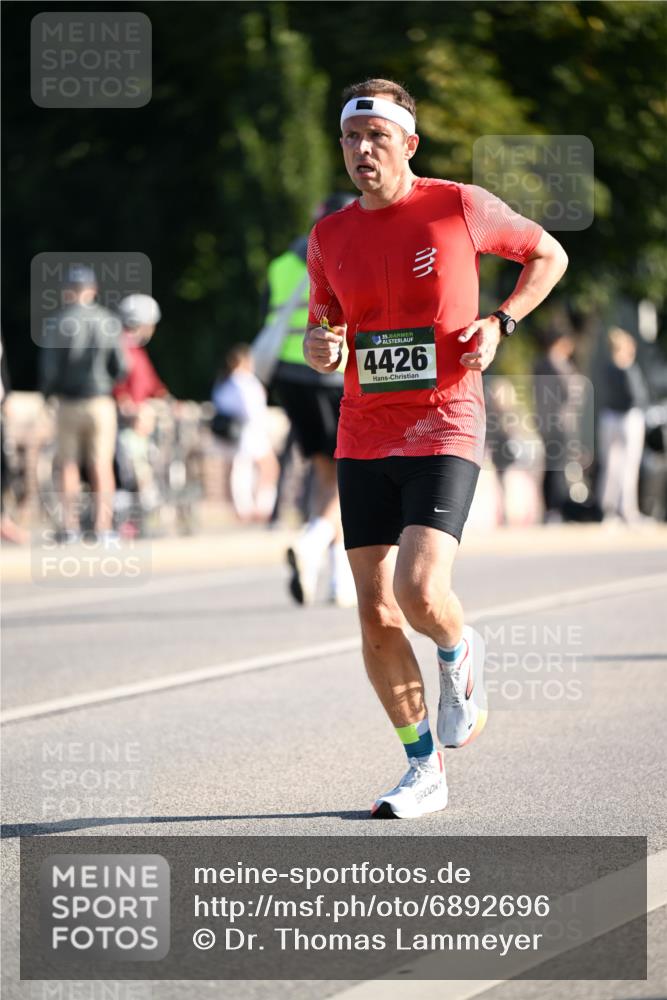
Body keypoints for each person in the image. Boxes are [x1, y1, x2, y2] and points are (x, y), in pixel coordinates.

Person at [303, 79, 568, 818]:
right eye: (350, 138)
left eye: (376, 138)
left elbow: (548, 256)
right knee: (375, 613)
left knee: (419, 591)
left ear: (409, 145)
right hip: (363, 431)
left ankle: (457, 651)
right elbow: (325, 330)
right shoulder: (328, 237)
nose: (361, 151)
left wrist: (501, 322)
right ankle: (423, 768)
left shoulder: (458, 205)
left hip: (446, 422)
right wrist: (321, 346)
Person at [269, 194, 357, 608]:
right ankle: (312, 541)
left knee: (327, 473)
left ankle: (338, 579)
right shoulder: (346, 255)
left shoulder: (281, 264)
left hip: (290, 376)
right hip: (333, 374)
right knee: (348, 473)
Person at [38, 265, 127, 542]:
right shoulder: (108, 321)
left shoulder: (58, 323)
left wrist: (47, 395)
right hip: (100, 401)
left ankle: (71, 527)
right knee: (102, 465)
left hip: (69, 401)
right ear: (93, 290)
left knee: (68, 465)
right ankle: (103, 527)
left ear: (68, 291)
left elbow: (50, 370)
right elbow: (121, 366)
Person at [212, 344, 279, 522]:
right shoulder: (243, 381)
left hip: (241, 431)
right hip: (250, 430)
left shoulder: (225, 381)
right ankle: (259, 507)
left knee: (242, 470)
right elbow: (252, 409)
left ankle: (246, 507)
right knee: (261, 468)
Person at [598, 327, 650, 523]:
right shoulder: (626, 369)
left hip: (611, 417)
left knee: (613, 466)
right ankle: (623, 510)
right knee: (625, 466)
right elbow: (636, 396)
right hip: (627, 418)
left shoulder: (608, 368)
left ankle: (613, 509)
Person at [533, 329, 579, 522]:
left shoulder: (542, 364)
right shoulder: (555, 363)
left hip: (549, 422)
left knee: (553, 466)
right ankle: (555, 507)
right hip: (557, 423)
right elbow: (569, 392)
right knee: (557, 466)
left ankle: (552, 508)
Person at [113, 294, 168, 414]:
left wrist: (166, 399)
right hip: (127, 418)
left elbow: (153, 385)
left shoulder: (134, 349)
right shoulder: (126, 349)